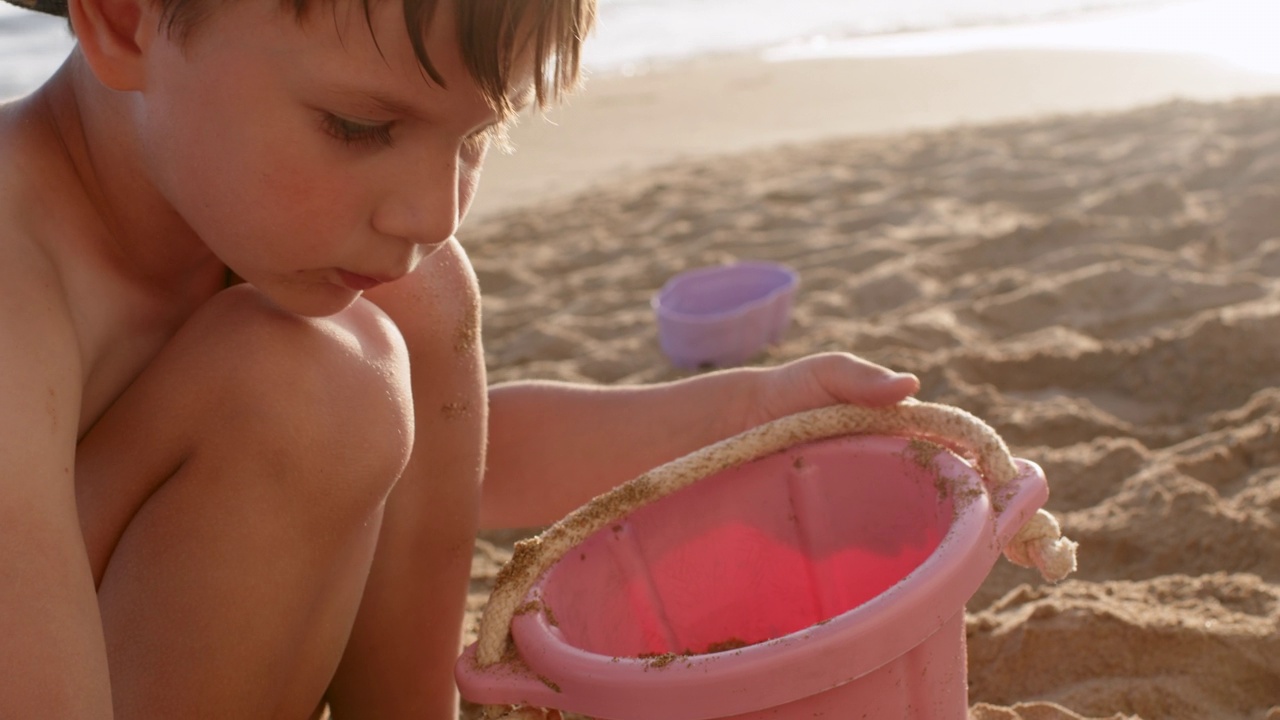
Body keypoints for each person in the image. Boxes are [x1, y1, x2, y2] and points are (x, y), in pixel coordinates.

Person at [0, 0, 920, 717]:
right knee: (310, 391)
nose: (433, 211)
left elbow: (432, 467)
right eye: (361, 127)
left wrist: (744, 417)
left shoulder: (250, 219)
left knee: (416, 300)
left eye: (475, 137)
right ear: (123, 19)